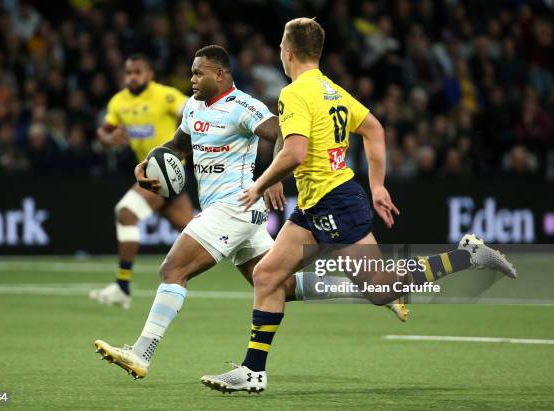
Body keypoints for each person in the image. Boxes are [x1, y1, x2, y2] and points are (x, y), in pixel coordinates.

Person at [200, 18, 516, 394]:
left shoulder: (295, 93)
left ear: (287, 52)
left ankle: (469, 256)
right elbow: (374, 128)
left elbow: (295, 152)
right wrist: (377, 185)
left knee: (380, 290)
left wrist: (260, 183)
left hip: (336, 203)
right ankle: (253, 372)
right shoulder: (331, 89)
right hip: (316, 203)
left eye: (281, 48)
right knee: (268, 276)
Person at [93, 45, 408, 381]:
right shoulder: (193, 107)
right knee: (278, 284)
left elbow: (283, 134)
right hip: (238, 212)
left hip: (235, 206)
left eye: (198, 73)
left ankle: (142, 353)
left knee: (173, 269)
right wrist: (149, 162)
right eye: (191, 72)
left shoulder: (243, 106)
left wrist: (272, 178)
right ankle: (376, 289)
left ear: (220, 74)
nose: (192, 78)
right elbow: (177, 146)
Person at [88, 54, 194, 309]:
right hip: (155, 173)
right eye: (128, 72)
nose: (132, 76)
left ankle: (122, 287)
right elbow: (104, 130)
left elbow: (191, 108)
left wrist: (185, 141)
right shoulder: (119, 102)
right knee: (198, 233)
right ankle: (256, 256)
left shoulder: (164, 95)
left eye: (137, 71)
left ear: (149, 74)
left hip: (164, 171)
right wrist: (107, 139)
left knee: (125, 213)